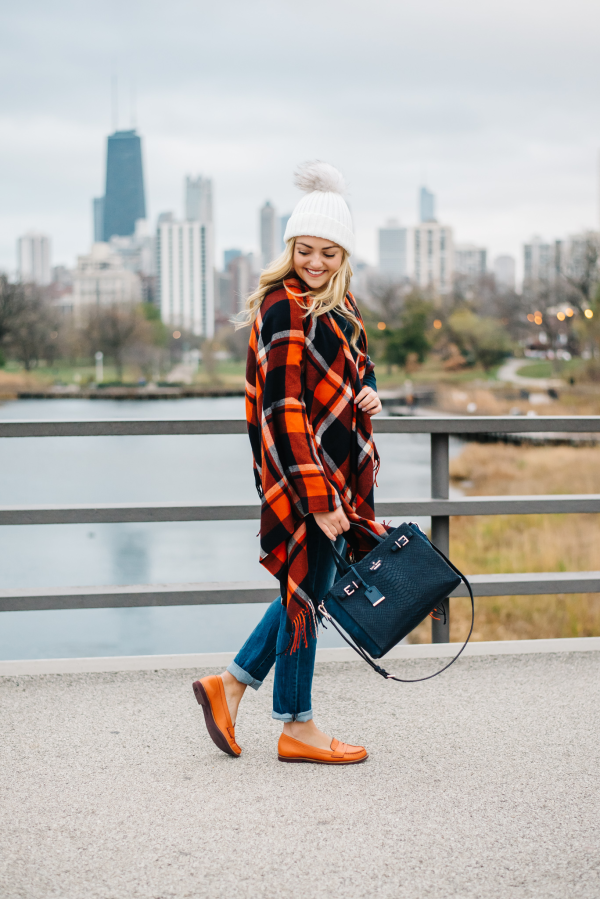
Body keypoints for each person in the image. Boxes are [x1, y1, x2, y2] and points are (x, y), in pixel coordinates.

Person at [193, 161, 387, 765]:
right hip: (304, 477)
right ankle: (296, 726)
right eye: (306, 251)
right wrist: (320, 498)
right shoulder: (284, 306)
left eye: (330, 253)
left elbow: (353, 367)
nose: (316, 263)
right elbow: (283, 407)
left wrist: (371, 390)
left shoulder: (339, 303)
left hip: (328, 473)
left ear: (343, 255)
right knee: (306, 592)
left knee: (308, 588)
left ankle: (230, 686)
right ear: (290, 248)